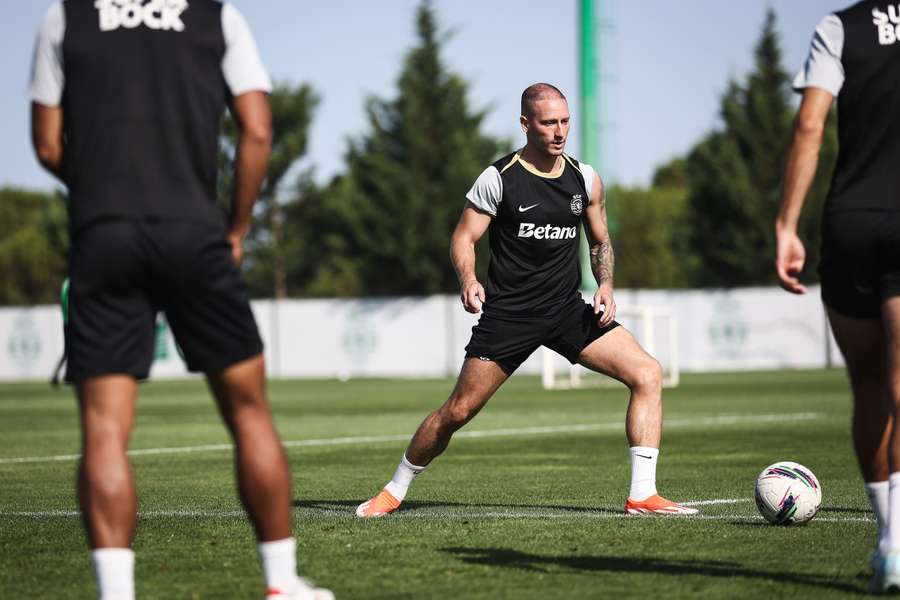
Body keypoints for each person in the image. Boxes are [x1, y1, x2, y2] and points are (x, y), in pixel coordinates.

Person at [29, 2, 332, 599]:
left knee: (104, 430)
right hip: (194, 232)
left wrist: (107, 194)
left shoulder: (64, 17)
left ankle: (116, 594)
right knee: (249, 412)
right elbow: (258, 130)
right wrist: (237, 228)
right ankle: (280, 585)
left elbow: (45, 145)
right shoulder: (217, 18)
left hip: (105, 232)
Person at [356, 83, 698, 519]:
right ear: (525, 124)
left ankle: (642, 495)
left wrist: (606, 285)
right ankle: (394, 489)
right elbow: (464, 236)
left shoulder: (585, 179)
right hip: (509, 316)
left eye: (565, 121)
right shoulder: (499, 178)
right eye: (548, 122)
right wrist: (468, 277)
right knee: (457, 412)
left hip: (566, 310)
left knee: (647, 372)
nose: (559, 132)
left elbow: (601, 241)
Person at [776, 1, 900, 592]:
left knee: (872, 387)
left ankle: (889, 545)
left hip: (850, 219)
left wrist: (786, 223)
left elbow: (810, 124)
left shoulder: (840, 27)